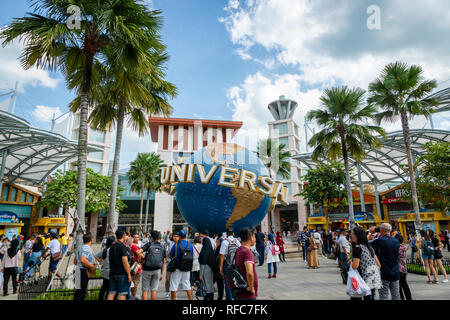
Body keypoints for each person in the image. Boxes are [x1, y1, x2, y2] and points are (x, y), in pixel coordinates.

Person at [349, 227, 382, 300]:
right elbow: (379, 265)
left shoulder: (357, 248)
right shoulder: (369, 247)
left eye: (353, 234)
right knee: (370, 297)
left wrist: (351, 262)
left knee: (356, 297)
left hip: (362, 278)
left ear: (358, 236)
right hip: (373, 277)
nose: (352, 236)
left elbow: (355, 266)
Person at [370, 223, 400, 300]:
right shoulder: (396, 241)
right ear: (390, 230)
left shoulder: (379, 241)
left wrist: (370, 233)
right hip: (395, 272)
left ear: (381, 230)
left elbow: (367, 246)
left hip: (384, 272)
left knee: (383, 295)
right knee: (396, 295)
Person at [140, 230, 166, 300]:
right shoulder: (162, 246)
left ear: (151, 237)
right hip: (157, 270)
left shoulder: (148, 244)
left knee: (145, 290)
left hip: (146, 269)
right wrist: (161, 273)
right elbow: (164, 261)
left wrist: (141, 259)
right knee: (154, 290)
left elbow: (138, 251)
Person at [107, 229, 132, 300]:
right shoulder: (122, 247)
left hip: (112, 273)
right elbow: (125, 261)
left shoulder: (112, 247)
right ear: (124, 236)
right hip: (121, 274)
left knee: (111, 293)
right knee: (122, 293)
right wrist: (129, 274)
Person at [169, 230, 194, 300]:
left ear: (179, 236)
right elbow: (192, 254)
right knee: (187, 285)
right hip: (187, 268)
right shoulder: (190, 245)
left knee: (174, 285)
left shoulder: (176, 245)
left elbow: (171, 255)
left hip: (177, 268)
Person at [234, 227, 258, 300]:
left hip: (241, 290)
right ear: (251, 236)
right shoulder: (247, 252)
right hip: (248, 294)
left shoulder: (239, 250)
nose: (255, 239)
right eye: (254, 236)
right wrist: (251, 288)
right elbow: (250, 273)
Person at [219, 227, 241, 300]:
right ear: (233, 233)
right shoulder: (237, 242)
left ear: (227, 234)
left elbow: (222, 255)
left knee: (228, 284)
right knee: (236, 282)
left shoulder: (224, 242)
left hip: (227, 265)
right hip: (236, 265)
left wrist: (220, 267)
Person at [74, 233, 95, 300]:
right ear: (91, 239)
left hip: (77, 270)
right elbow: (82, 260)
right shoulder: (87, 248)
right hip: (83, 271)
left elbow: (75, 261)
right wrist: (92, 266)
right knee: (81, 292)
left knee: (77, 291)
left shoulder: (79, 248)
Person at [95, 235, 115, 300]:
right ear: (112, 242)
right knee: (109, 289)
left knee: (104, 287)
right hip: (110, 271)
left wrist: (101, 262)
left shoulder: (104, 249)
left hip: (104, 271)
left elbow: (96, 256)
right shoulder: (112, 250)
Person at [395, 234, 412, 300]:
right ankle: (409, 298)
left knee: (399, 287)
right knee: (405, 285)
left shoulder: (397, 248)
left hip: (398, 269)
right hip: (404, 269)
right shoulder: (403, 247)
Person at [198, 234, 216, 300]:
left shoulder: (203, 252)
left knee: (205, 285)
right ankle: (211, 298)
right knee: (210, 285)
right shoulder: (211, 251)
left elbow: (202, 263)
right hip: (211, 270)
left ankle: (206, 298)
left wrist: (200, 274)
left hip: (205, 270)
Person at [164, 232, 179, 299]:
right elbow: (165, 239)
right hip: (169, 263)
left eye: (177, 236)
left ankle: (174, 294)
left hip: (177, 264)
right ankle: (167, 293)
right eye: (174, 236)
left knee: (176, 280)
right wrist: (167, 234)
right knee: (168, 279)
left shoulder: (180, 244)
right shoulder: (170, 243)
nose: (175, 237)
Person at [130, 233, 143, 300]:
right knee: (135, 282)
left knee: (134, 282)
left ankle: (133, 295)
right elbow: (139, 254)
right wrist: (140, 261)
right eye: (135, 237)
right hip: (136, 267)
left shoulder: (134, 245)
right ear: (132, 238)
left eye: (138, 237)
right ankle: (133, 296)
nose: (137, 238)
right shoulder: (133, 246)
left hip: (134, 266)